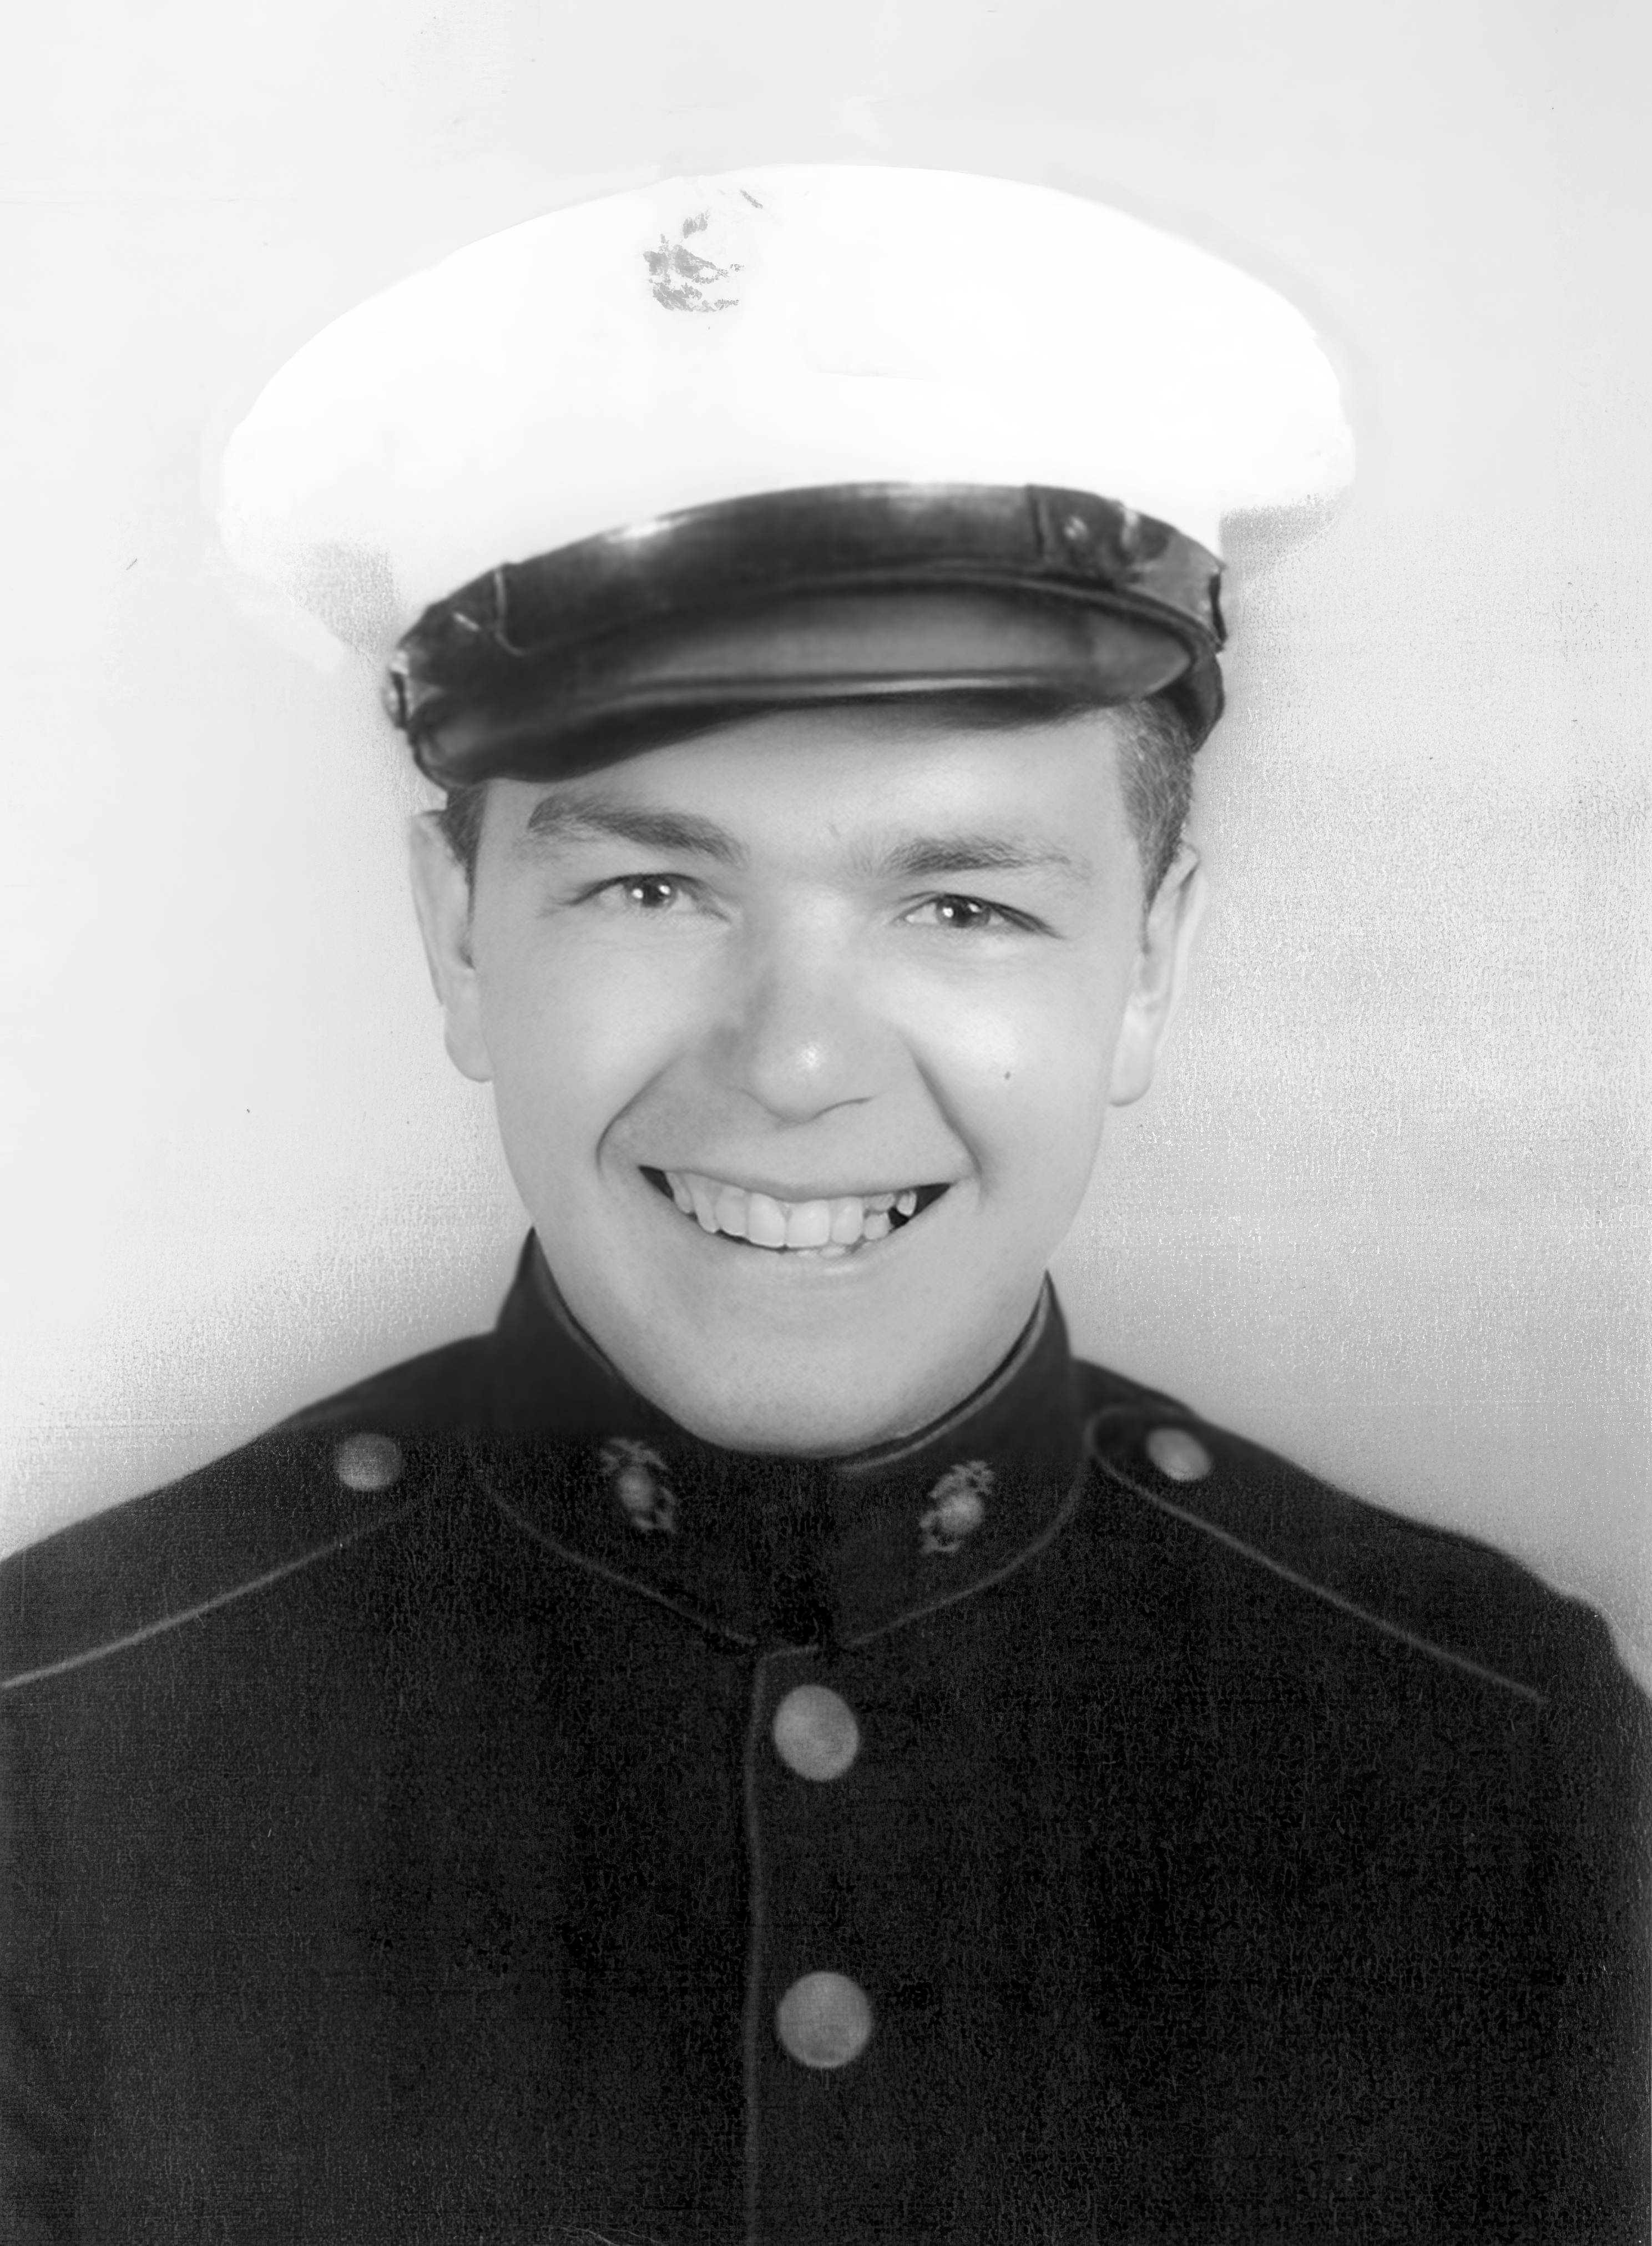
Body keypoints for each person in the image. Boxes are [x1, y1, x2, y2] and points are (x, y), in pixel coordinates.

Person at [2, 166, 1645, 2246]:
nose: (792, 1060)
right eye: (650, 887)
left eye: (958, 902)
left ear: (1145, 964)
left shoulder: (1505, 1775)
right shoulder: (50, 1770)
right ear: (453, 941)